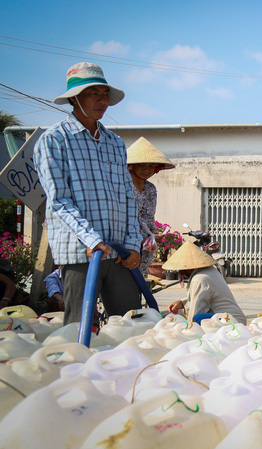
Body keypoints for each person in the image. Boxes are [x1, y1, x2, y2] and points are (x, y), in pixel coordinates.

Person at [34, 62, 144, 325]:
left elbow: (128, 198)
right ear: (74, 98)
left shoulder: (115, 143)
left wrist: (133, 242)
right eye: (94, 93)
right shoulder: (54, 140)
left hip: (118, 252)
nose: (103, 100)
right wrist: (92, 240)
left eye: (104, 94)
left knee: (131, 323)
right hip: (79, 251)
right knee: (80, 326)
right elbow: (59, 200)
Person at [126, 137, 175, 277]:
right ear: (131, 166)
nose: (147, 170)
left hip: (145, 245)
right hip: (126, 243)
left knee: (140, 280)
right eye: (142, 165)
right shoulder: (122, 186)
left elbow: (149, 217)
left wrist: (155, 232)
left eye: (151, 166)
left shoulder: (150, 189)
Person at [164, 241, 246, 324]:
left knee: (197, 318)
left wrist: (187, 320)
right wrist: (182, 302)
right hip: (233, 320)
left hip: (230, 323)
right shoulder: (209, 271)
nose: (180, 273)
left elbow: (195, 315)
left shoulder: (199, 279)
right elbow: (205, 296)